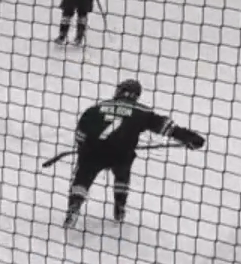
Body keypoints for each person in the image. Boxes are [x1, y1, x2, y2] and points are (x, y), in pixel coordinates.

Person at [65, 79, 205, 227]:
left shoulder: (96, 108)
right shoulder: (142, 112)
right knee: (122, 173)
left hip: (94, 149)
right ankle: (120, 206)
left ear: (120, 91)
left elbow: (81, 133)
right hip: (121, 152)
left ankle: (74, 206)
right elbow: (167, 128)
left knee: (83, 176)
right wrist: (190, 138)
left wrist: (83, 150)